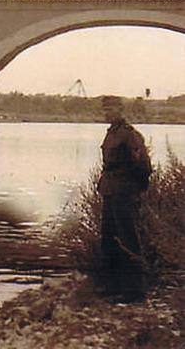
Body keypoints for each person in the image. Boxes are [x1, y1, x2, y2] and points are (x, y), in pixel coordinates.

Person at [97, 95, 152, 303]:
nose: (107, 114)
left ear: (121, 110)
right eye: (105, 110)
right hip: (110, 191)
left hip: (124, 192)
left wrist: (134, 189)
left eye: (111, 110)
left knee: (128, 239)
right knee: (109, 239)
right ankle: (112, 287)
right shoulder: (112, 133)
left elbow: (143, 167)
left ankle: (135, 291)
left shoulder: (130, 135)